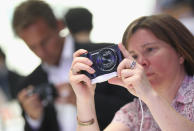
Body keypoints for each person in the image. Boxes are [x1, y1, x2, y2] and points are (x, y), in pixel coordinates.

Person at [12, 0, 135, 131]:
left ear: (59, 25)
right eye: (32, 47)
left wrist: (84, 99)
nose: (41, 52)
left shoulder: (106, 54)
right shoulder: (28, 84)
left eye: (45, 41)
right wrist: (34, 118)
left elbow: (137, 108)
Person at [69, 14, 194, 131]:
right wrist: (85, 101)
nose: (141, 62)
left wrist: (149, 95)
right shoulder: (136, 112)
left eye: (150, 49)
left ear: (180, 51)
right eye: (133, 55)